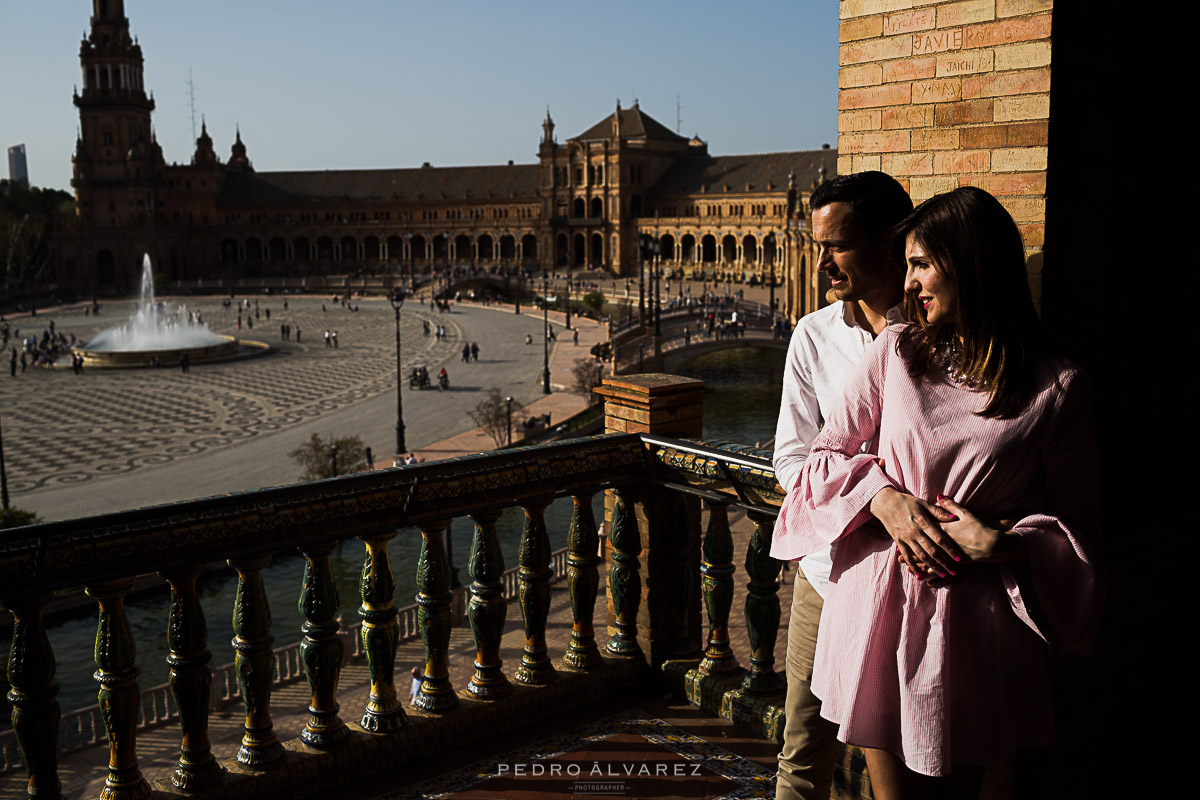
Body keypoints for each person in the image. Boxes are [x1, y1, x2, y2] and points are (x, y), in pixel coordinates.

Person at [773, 186, 1102, 799]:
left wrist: (1003, 543)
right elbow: (817, 459)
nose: (909, 282)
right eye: (907, 264)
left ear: (971, 264)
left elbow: (1083, 526)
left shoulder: (1057, 387)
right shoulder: (896, 353)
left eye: (921, 264)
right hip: (877, 608)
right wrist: (882, 499)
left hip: (974, 630)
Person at [771, 171, 913, 800]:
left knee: (911, 755)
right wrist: (872, 499)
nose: (820, 260)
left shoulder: (938, 335)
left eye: (837, 245)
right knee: (803, 753)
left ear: (890, 242)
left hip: (911, 583)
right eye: (816, 244)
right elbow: (790, 460)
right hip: (827, 578)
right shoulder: (814, 336)